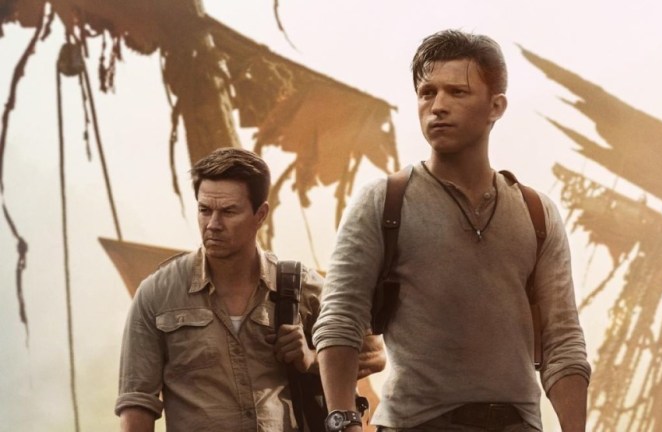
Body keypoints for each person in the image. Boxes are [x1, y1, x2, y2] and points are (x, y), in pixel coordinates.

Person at [313, 30, 591, 432]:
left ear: (496, 106)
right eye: (427, 93)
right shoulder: (383, 201)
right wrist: (344, 422)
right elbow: (340, 318)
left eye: (457, 92)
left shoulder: (537, 213)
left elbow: (562, 341)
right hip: (416, 423)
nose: (438, 106)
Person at [115, 147, 385, 432]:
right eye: (205, 210)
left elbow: (374, 354)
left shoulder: (299, 285)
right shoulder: (157, 294)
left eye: (228, 211)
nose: (213, 225)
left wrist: (312, 359)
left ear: (260, 214)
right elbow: (136, 404)